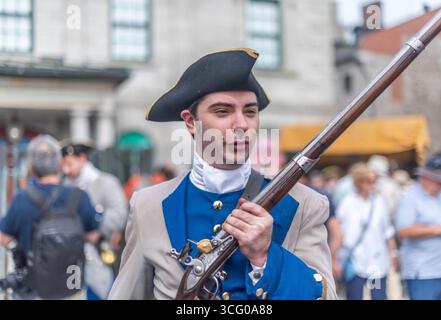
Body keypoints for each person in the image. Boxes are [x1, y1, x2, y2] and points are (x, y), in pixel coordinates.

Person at [109, 48, 337, 300]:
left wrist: (266, 257)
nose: (241, 124)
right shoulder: (146, 206)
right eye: (222, 111)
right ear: (190, 122)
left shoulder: (305, 204)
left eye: (250, 111)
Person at [0, 134, 100, 299]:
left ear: (31, 167)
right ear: (59, 163)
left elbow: (3, 237)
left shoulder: (21, 199)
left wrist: (16, 245)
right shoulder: (79, 196)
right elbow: (93, 236)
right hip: (71, 286)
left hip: (32, 289)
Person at [61, 141, 128, 299]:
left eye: (69, 163)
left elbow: (120, 214)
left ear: (82, 158)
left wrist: (97, 228)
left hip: (98, 257)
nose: (65, 169)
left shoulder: (105, 182)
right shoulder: (62, 186)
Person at [336, 163, 398, 300]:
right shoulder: (347, 203)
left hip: (377, 262)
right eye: (369, 181)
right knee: (354, 297)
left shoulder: (379, 202)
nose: (373, 184)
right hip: (354, 260)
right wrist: (335, 259)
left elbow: (387, 231)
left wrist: (394, 254)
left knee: (378, 296)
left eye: (374, 181)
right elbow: (338, 233)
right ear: (359, 182)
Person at [395, 153, 441, 300]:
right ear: (425, 177)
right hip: (423, 272)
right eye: (438, 181)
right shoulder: (410, 198)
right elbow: (404, 230)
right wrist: (440, 229)